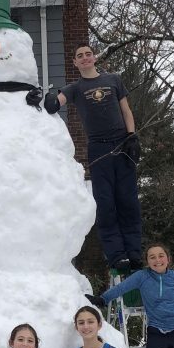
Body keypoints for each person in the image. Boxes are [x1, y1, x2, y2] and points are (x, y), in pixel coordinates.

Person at [45, 43, 142, 272]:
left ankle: (135, 253)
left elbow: (126, 110)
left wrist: (132, 136)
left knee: (128, 201)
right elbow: (54, 104)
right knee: (106, 203)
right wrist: (44, 98)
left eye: (88, 54)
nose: (85, 57)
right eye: (80, 55)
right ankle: (117, 255)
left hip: (122, 144)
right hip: (98, 149)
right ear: (75, 62)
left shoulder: (113, 80)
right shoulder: (75, 88)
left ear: (94, 57)